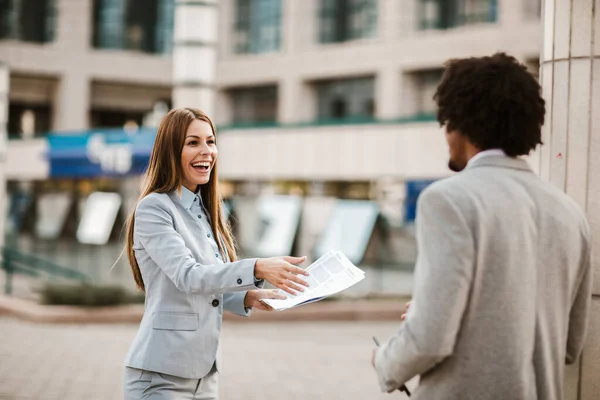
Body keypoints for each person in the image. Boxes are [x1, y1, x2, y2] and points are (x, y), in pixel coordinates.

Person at [372, 53, 592, 400]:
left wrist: (383, 360)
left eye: (446, 123)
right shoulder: (569, 213)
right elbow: (569, 344)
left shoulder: (447, 200)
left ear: (458, 123)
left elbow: (430, 338)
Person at [122, 107, 310, 400]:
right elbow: (188, 277)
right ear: (171, 150)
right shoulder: (155, 208)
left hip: (205, 377)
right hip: (161, 378)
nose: (206, 151)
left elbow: (206, 285)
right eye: (193, 142)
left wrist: (247, 296)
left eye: (210, 141)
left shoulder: (205, 210)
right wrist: (257, 267)